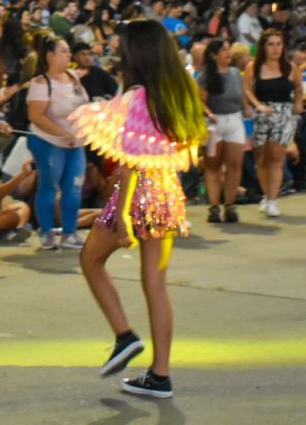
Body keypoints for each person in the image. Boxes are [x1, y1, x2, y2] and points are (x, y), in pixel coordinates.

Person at [71, 20, 207, 399]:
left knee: (90, 259)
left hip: (139, 192)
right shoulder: (177, 93)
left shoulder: (138, 97)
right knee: (156, 284)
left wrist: (125, 215)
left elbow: (130, 161)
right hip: (167, 190)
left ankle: (124, 335)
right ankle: (160, 375)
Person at [27, 35, 90, 250]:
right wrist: (63, 133)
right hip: (48, 141)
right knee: (49, 186)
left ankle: (70, 232)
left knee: (74, 187)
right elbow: (37, 116)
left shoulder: (73, 77)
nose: (68, 55)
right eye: (63, 51)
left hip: (75, 142)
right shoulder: (40, 83)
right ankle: (46, 232)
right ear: (50, 56)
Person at [244, 29, 302, 218]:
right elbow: (247, 90)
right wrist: (256, 105)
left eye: (279, 44)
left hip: (283, 114)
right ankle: (266, 194)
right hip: (262, 114)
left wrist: (298, 103)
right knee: (261, 158)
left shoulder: (289, 67)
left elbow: (299, 87)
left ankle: (272, 199)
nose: (275, 48)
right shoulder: (254, 66)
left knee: (276, 159)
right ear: (264, 47)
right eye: (271, 44)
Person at [198, 39, 247, 223]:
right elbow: (200, 100)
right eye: (223, 50)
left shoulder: (236, 74)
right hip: (214, 123)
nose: (228, 53)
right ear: (213, 55)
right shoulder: (206, 76)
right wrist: (209, 113)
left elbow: (242, 95)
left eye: (228, 50)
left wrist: (247, 108)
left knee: (235, 165)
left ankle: (230, 204)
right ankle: (213, 206)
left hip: (234, 120)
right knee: (213, 166)